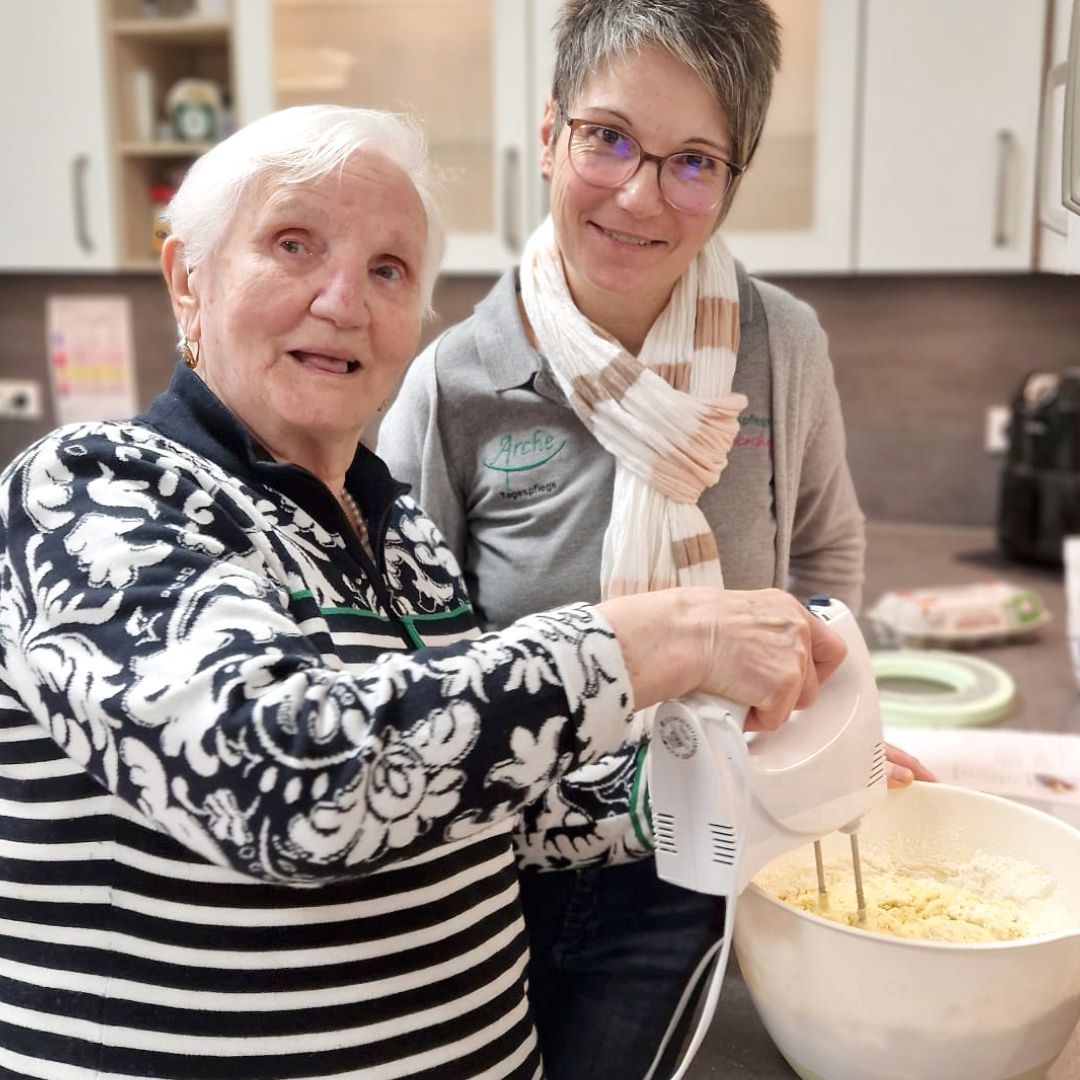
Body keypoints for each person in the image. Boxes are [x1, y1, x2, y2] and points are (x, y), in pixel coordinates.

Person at [0, 104, 849, 1080]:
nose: (343, 302)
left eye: (389, 270)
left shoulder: (397, 536)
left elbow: (477, 793)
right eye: (293, 244)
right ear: (188, 278)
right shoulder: (91, 490)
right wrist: (664, 638)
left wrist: (736, 780)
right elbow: (288, 782)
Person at [378, 3, 935, 1078]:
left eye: (692, 161)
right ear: (551, 134)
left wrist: (829, 728)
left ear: (731, 179)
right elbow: (413, 652)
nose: (639, 196)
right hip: (499, 870)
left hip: (711, 852)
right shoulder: (455, 379)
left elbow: (824, 554)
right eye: (609, 138)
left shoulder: (779, 346)